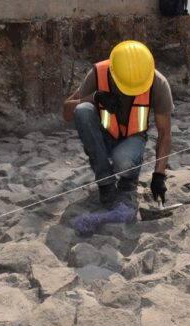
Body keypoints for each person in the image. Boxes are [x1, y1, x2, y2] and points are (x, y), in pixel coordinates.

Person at [62, 40, 174, 208]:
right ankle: (105, 182)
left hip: (133, 139)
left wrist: (159, 175)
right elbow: (67, 112)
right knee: (83, 109)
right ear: (113, 72)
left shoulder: (157, 82)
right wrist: (94, 97)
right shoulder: (98, 73)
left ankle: (130, 175)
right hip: (103, 137)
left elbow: (165, 133)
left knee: (124, 162)